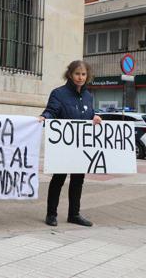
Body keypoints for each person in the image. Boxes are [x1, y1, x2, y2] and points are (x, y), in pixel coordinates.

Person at [39, 60, 101, 227]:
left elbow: (90, 114)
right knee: (58, 179)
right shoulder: (58, 94)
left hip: (80, 148)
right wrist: (45, 117)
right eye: (77, 74)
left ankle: (74, 214)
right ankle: (51, 214)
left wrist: (94, 117)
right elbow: (52, 111)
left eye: (83, 74)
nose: (80, 77)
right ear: (70, 74)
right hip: (63, 147)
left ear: (87, 76)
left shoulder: (89, 96)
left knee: (77, 180)